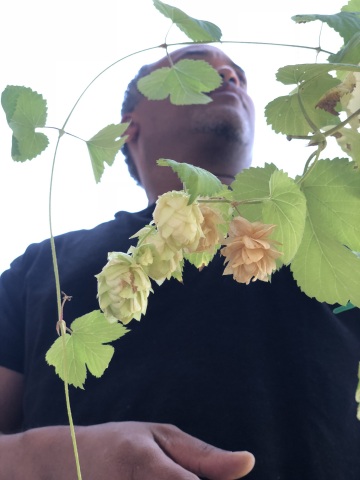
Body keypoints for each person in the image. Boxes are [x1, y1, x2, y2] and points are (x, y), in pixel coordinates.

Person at [0, 45, 359, 480]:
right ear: (129, 128)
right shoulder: (43, 265)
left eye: (238, 76)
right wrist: (43, 459)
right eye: (191, 69)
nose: (228, 76)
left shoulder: (339, 240)